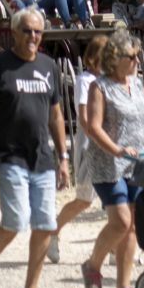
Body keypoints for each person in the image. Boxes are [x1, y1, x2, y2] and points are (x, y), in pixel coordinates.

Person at [0, 7, 68, 288]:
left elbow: (56, 114)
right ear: (14, 32)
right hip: (8, 154)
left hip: (42, 157)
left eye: (38, 32)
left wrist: (63, 157)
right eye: (27, 31)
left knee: (45, 224)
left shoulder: (49, 66)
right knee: (15, 220)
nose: (33, 37)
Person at [80, 27, 144, 288]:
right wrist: (116, 149)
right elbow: (94, 127)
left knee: (132, 225)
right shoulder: (100, 87)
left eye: (138, 56)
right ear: (114, 57)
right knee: (121, 221)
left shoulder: (135, 83)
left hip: (137, 162)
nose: (137, 61)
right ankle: (93, 266)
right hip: (108, 163)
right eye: (131, 56)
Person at [51, 30, 110, 262]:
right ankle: (53, 232)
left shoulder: (110, 82)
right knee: (84, 199)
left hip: (110, 147)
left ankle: (115, 248)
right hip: (90, 146)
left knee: (117, 201)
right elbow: (84, 118)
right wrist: (100, 140)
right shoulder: (85, 81)